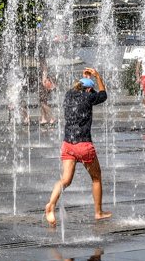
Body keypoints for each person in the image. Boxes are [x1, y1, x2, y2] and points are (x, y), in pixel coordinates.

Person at [44, 67, 111, 227]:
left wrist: (84, 79)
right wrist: (97, 76)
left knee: (65, 180)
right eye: (91, 87)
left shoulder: (68, 95)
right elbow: (103, 95)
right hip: (84, 145)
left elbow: (79, 87)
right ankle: (98, 212)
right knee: (96, 178)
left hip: (68, 144)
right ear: (89, 89)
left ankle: (51, 204)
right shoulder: (89, 96)